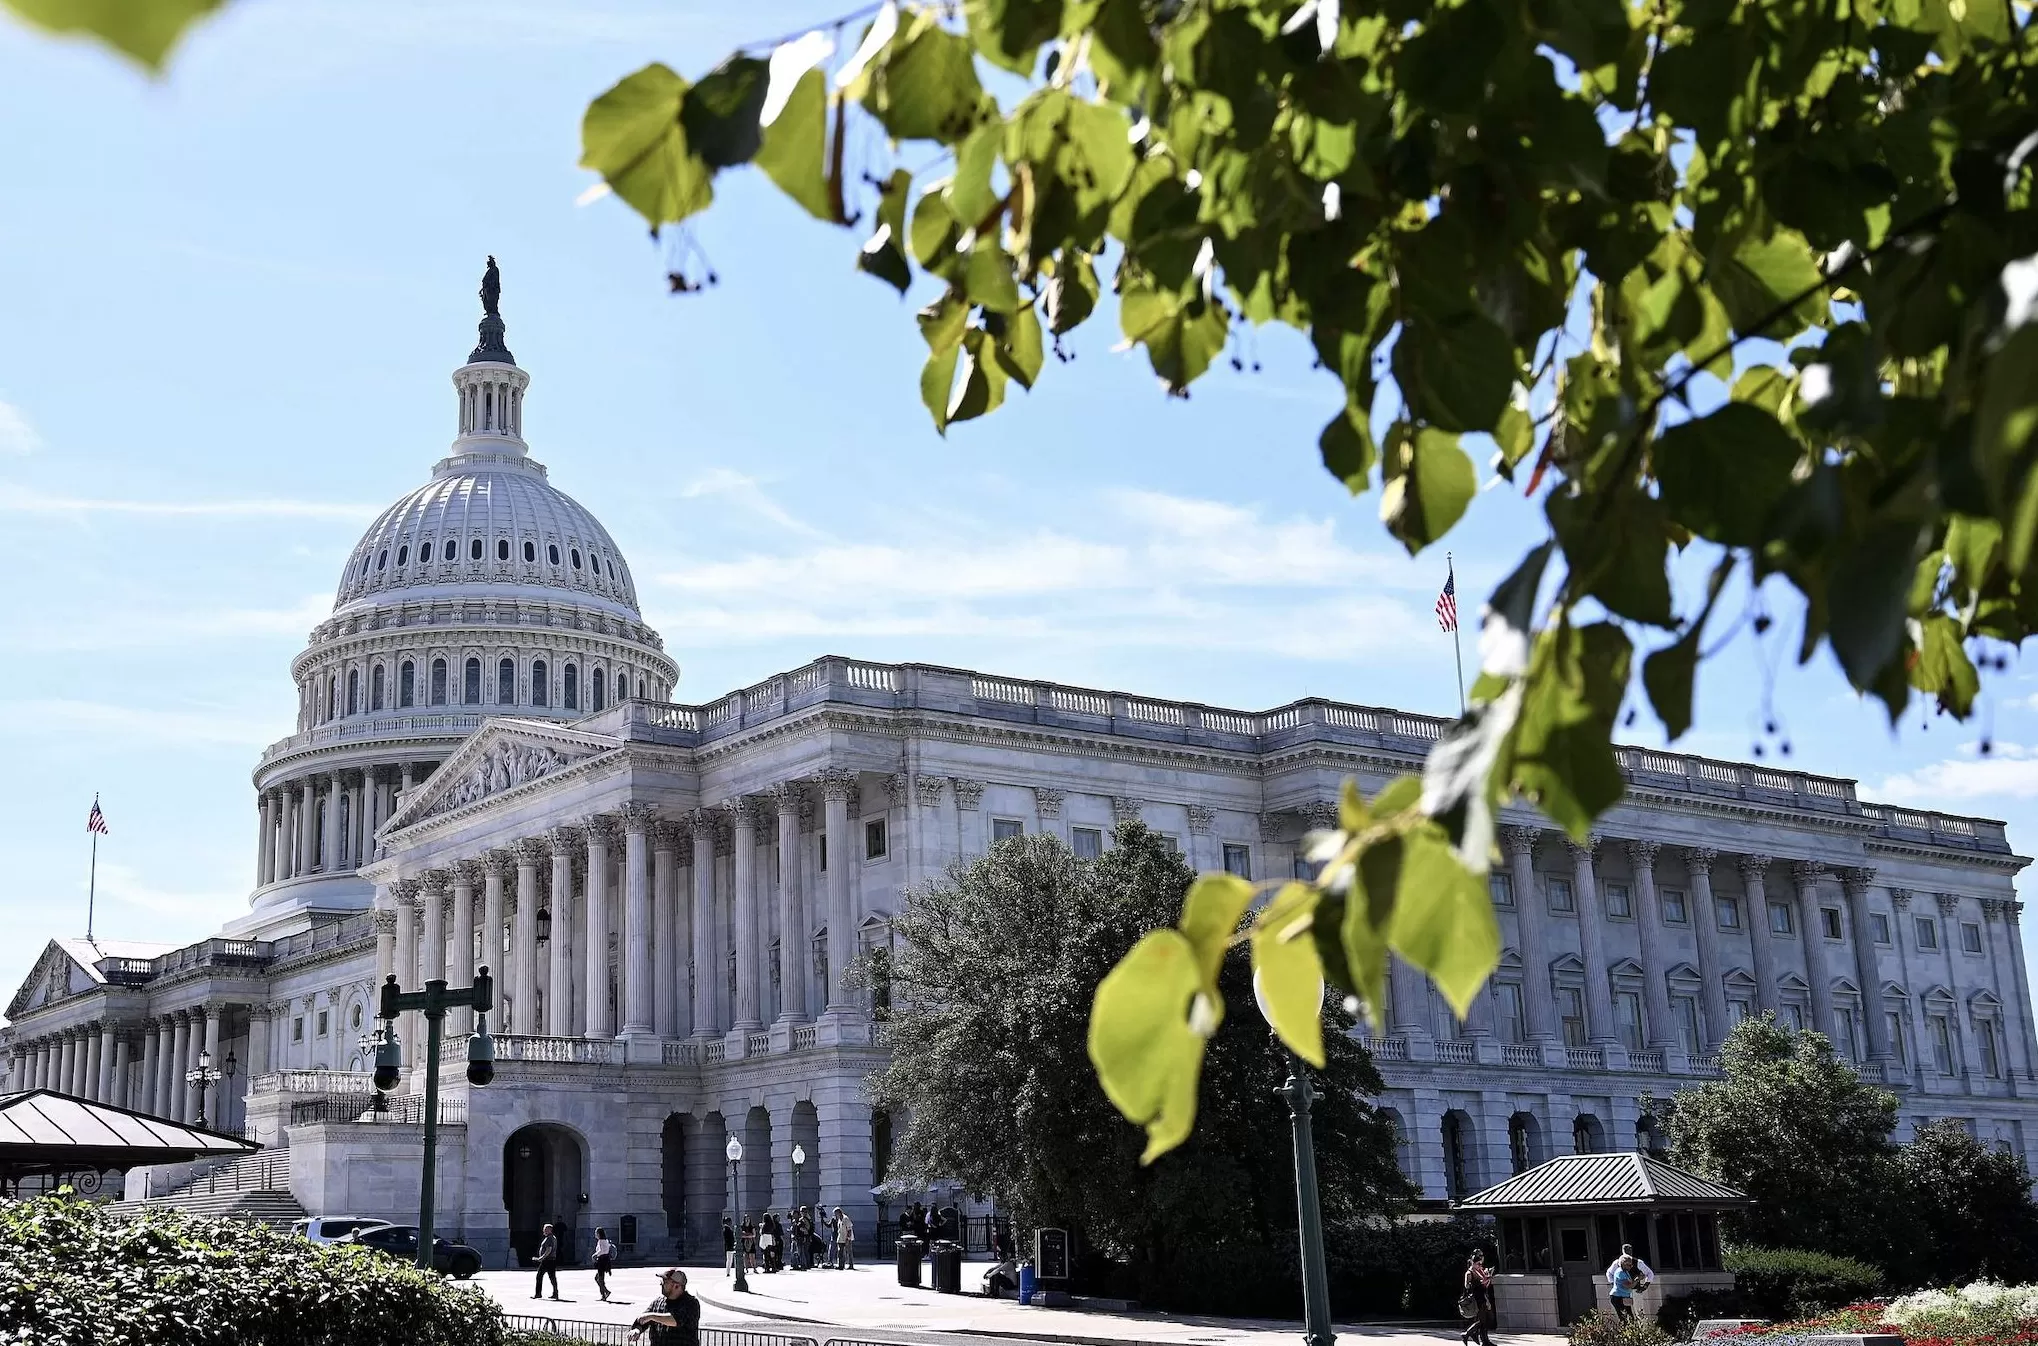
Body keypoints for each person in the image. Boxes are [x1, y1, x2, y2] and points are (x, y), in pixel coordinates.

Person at [631, 1268, 701, 1346]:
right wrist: (637, 1329)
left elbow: (676, 1320)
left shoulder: (691, 1303)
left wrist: (652, 1316)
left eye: (665, 1282)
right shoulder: (658, 1302)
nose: (661, 1284)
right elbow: (643, 1319)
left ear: (676, 1286)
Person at [1461, 1248, 1495, 1346]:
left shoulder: (1480, 1271)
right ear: (1473, 1263)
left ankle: (1484, 1340)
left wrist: (1488, 1277)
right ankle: (1467, 1334)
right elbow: (1467, 1286)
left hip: (1483, 1296)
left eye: (1481, 1264)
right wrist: (1480, 1282)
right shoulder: (1469, 1273)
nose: (1480, 1265)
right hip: (1476, 1299)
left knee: (1487, 1319)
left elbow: (1486, 1285)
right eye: (1478, 1264)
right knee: (1483, 1320)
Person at [1607, 1252, 1642, 1323]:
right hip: (1617, 1298)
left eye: (1631, 1265)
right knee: (1624, 1319)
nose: (1631, 1266)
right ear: (1623, 1264)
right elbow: (1629, 1286)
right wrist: (1637, 1279)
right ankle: (1624, 1333)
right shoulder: (1620, 1272)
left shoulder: (1625, 1271)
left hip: (1624, 1297)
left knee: (1630, 1319)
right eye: (1629, 1265)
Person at [532, 1223, 561, 1300]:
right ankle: (555, 1293)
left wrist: (541, 1258)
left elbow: (549, 1249)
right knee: (552, 1277)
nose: (543, 1230)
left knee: (539, 1276)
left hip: (547, 1260)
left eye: (545, 1229)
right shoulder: (552, 1238)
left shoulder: (549, 1239)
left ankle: (538, 1294)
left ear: (549, 1230)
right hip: (550, 1260)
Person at [593, 1226, 616, 1302]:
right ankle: (605, 1291)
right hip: (604, 1260)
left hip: (602, 1260)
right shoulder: (604, 1240)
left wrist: (595, 1255)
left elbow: (602, 1251)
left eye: (596, 1233)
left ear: (599, 1234)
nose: (595, 1234)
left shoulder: (601, 1241)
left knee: (600, 1278)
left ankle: (604, 1294)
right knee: (598, 1278)